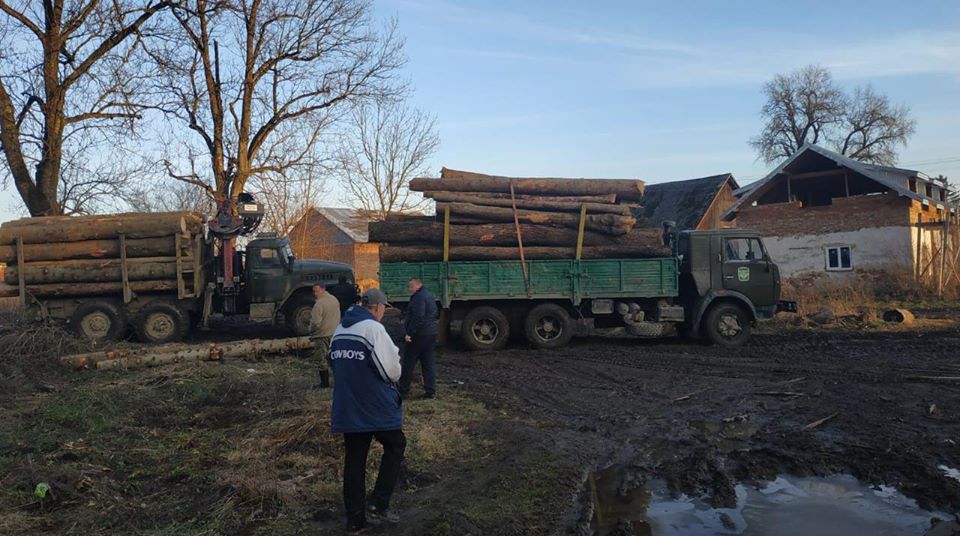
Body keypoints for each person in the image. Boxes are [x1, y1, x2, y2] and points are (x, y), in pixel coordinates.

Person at [330, 288, 405, 533]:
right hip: (374, 406)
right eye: (384, 308)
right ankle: (379, 503)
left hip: (348, 407)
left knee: (354, 461)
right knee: (396, 444)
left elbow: (333, 362)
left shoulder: (340, 330)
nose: (383, 312)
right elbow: (391, 371)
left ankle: (355, 520)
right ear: (376, 308)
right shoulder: (374, 329)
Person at [398, 278, 438, 399]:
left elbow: (418, 317)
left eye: (411, 287)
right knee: (428, 363)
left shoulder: (418, 298)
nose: (409, 289)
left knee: (408, 363)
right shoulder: (429, 295)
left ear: (417, 285)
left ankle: (403, 390)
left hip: (419, 335)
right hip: (430, 333)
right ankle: (430, 390)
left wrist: (410, 333)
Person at [309, 284, 340, 388]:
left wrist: (311, 332)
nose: (315, 294)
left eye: (317, 291)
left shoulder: (319, 304)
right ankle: (339, 381)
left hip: (321, 335)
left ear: (323, 289)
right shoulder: (334, 299)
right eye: (314, 291)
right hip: (334, 333)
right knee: (335, 358)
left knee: (321, 359)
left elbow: (315, 323)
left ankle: (324, 383)